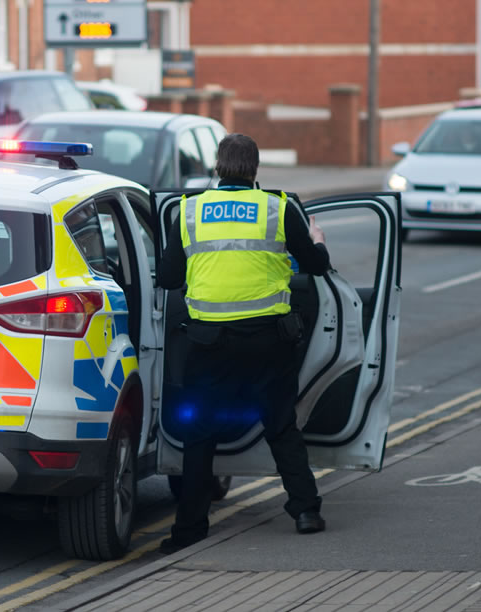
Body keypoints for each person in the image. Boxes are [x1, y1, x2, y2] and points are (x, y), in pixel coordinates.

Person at [156, 133, 330, 554]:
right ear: (254, 169)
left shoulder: (189, 210)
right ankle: (306, 511)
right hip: (269, 341)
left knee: (199, 434)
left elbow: (168, 279)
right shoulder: (278, 208)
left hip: (208, 342)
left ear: (218, 166)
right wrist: (317, 238)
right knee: (281, 425)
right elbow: (317, 268)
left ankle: (190, 530)